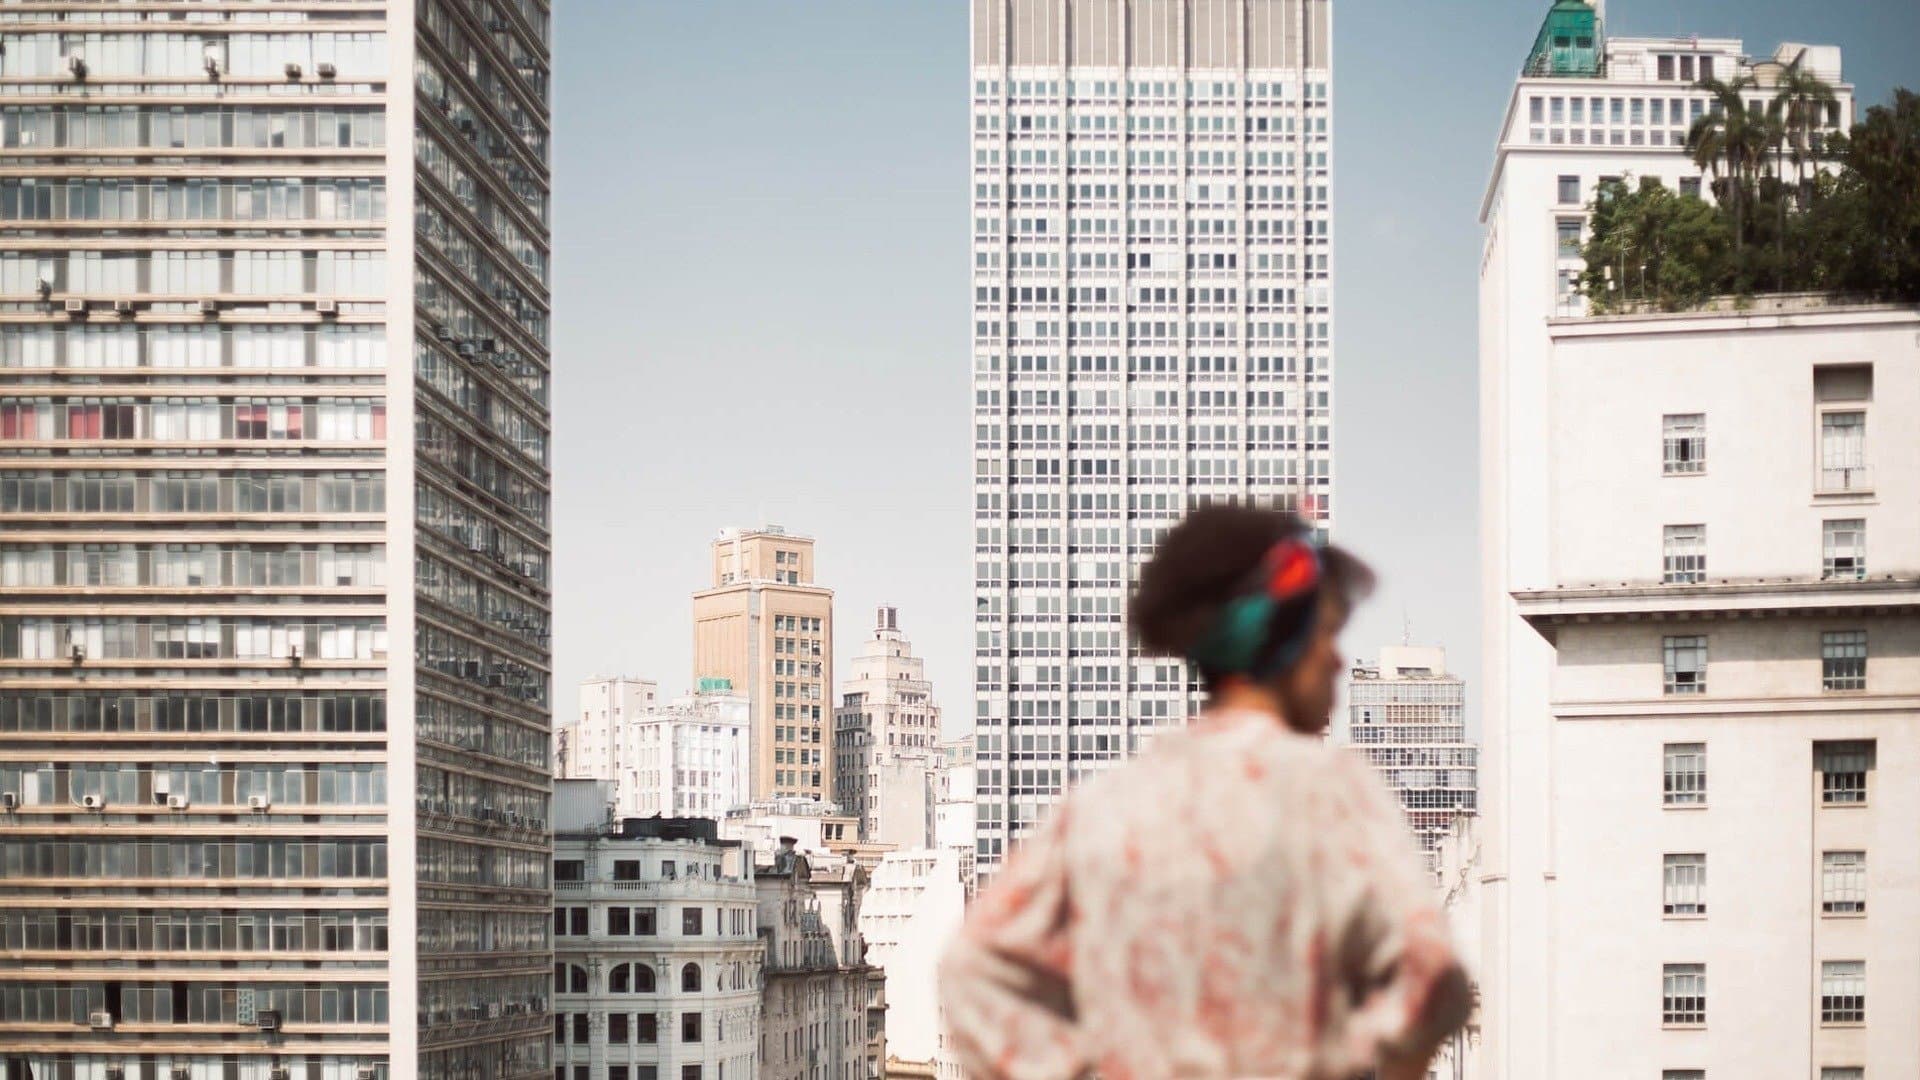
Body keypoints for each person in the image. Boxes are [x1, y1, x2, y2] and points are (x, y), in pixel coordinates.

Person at [939, 505, 1472, 1080]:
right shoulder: (1330, 791)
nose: (1338, 659)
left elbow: (972, 971)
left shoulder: (1105, 803)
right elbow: (1432, 979)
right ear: (1279, 646)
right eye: (1323, 634)